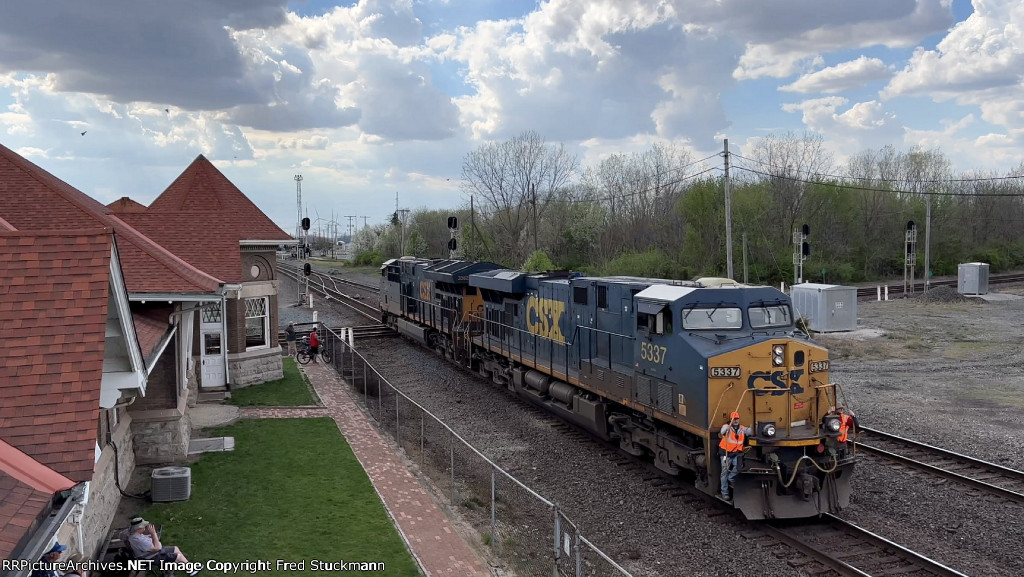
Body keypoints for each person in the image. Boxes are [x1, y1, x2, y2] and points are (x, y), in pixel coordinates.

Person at [126, 517, 200, 576]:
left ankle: (190, 568)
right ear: (139, 528)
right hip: (151, 557)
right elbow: (157, 548)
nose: (145, 528)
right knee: (178, 557)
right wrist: (153, 533)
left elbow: (122, 535)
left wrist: (150, 536)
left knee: (175, 548)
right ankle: (171, 573)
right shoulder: (138, 540)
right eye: (144, 526)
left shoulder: (133, 534)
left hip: (151, 552)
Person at [718, 411, 753, 501]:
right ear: (731, 420)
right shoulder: (727, 427)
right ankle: (724, 493)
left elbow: (750, 431)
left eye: (737, 419)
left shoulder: (742, 428)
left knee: (738, 468)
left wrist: (754, 426)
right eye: (734, 419)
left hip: (736, 454)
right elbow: (722, 432)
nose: (736, 421)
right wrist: (728, 428)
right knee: (724, 473)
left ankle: (731, 478)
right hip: (726, 454)